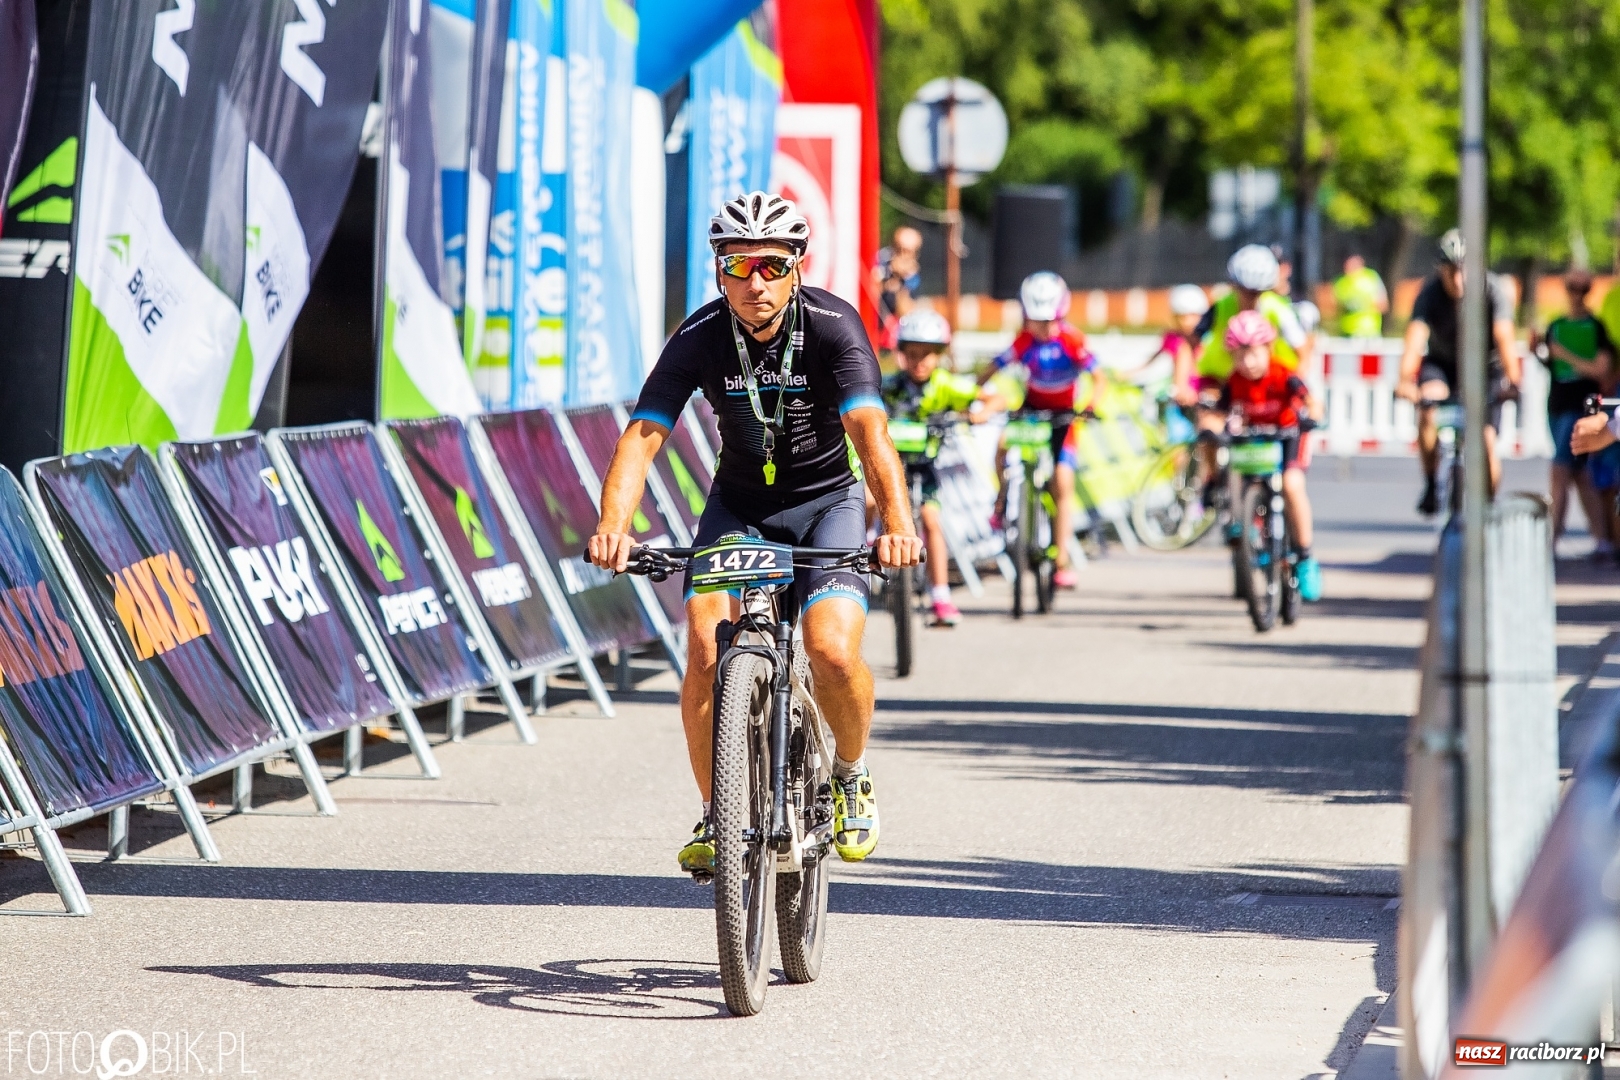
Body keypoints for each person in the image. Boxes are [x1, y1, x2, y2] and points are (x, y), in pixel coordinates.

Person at [587, 191, 922, 877]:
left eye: (771, 265)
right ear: (719, 271)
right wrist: (613, 528)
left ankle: (851, 774)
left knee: (830, 651)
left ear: (796, 266)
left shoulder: (833, 326)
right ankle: (718, 813)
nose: (755, 283)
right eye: (738, 266)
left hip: (826, 503)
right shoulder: (699, 336)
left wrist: (897, 524)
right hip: (738, 508)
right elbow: (645, 435)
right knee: (707, 648)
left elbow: (869, 432)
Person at [878, 309, 1007, 626]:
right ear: (902, 355)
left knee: (932, 524)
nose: (919, 362)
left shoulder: (946, 385)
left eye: (927, 355)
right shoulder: (890, 386)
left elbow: (995, 399)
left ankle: (940, 596)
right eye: (912, 354)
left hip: (924, 470)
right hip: (888, 468)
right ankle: (867, 561)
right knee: (868, 503)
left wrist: (981, 412)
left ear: (939, 356)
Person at [1395, 228, 1523, 513]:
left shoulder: (1492, 290)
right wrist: (1405, 380)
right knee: (1428, 406)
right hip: (1444, 365)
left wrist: (1513, 381)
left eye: (1462, 271)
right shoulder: (1430, 293)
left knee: (1486, 441)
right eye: (1450, 271)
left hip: (1484, 368)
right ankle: (1431, 481)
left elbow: (1504, 337)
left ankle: (1488, 511)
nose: (1456, 280)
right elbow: (1415, 339)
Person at [984, 271, 1095, 590]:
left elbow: (1098, 377)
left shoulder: (1073, 340)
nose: (1042, 328)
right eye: (1035, 320)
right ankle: (1002, 499)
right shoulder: (1023, 341)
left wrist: (1090, 404)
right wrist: (969, 393)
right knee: (1002, 445)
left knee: (1063, 482)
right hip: (1031, 410)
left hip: (1064, 417)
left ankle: (1061, 562)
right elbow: (993, 366)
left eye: (1048, 321)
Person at [1221, 310, 1322, 601]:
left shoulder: (1284, 375)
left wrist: (1313, 413)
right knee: (1234, 470)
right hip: (1256, 443)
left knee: (1292, 484)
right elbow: (1219, 410)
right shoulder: (1235, 381)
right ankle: (1244, 525)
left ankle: (1305, 557)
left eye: (1253, 354)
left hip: (1289, 436)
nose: (1247, 363)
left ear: (1268, 349)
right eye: (1239, 356)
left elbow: (1310, 400)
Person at [1536, 268, 1615, 557]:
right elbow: (1548, 363)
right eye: (1572, 288)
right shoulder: (1555, 325)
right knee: (1580, 474)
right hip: (1557, 402)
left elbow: (1601, 370)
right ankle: (1601, 538)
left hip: (1583, 405)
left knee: (1560, 469)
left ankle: (1551, 538)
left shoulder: (1595, 327)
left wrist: (1565, 354)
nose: (1576, 295)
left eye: (1582, 289)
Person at [875, 225, 923, 325]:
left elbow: (906, 313)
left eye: (907, 251)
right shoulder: (881, 261)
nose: (903, 255)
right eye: (898, 249)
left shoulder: (912, 275)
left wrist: (900, 280)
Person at [1333, 254, 1389, 338]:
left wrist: (1363, 305)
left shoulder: (1371, 278)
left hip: (1369, 332)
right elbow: (1333, 308)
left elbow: (1383, 305)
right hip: (1347, 332)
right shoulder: (1341, 282)